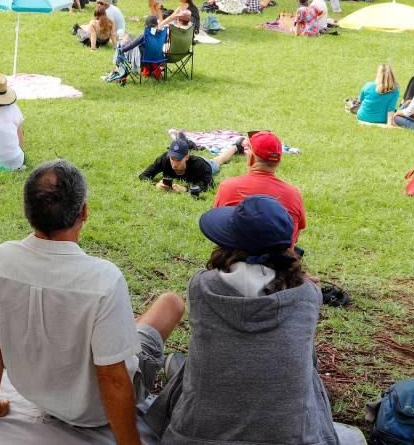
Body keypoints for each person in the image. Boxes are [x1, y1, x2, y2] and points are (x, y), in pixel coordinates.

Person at [0, 160, 185, 437]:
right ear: (84, 212)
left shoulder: (1, 259)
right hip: (95, 412)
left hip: (34, 393)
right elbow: (114, 379)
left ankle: (124, 329)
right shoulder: (103, 279)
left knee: (120, 325)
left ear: (28, 211)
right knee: (171, 303)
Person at [144, 195, 344, 445]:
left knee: (196, 364)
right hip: (296, 438)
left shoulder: (201, 287)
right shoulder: (309, 295)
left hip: (192, 437)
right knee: (307, 364)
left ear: (227, 242)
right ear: (286, 248)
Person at [213, 131, 306, 247]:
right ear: (278, 161)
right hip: (279, 262)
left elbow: (218, 228)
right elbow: (294, 237)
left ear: (251, 157)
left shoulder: (228, 187)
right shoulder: (293, 194)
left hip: (234, 259)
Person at [139, 135, 240, 197]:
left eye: (178, 160)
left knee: (218, 161)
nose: (174, 164)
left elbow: (209, 185)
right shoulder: (165, 159)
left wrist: (186, 189)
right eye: (172, 159)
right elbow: (144, 175)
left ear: (186, 157)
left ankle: (236, 147)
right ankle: (183, 141)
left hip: (206, 163)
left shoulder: (200, 165)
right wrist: (156, 185)